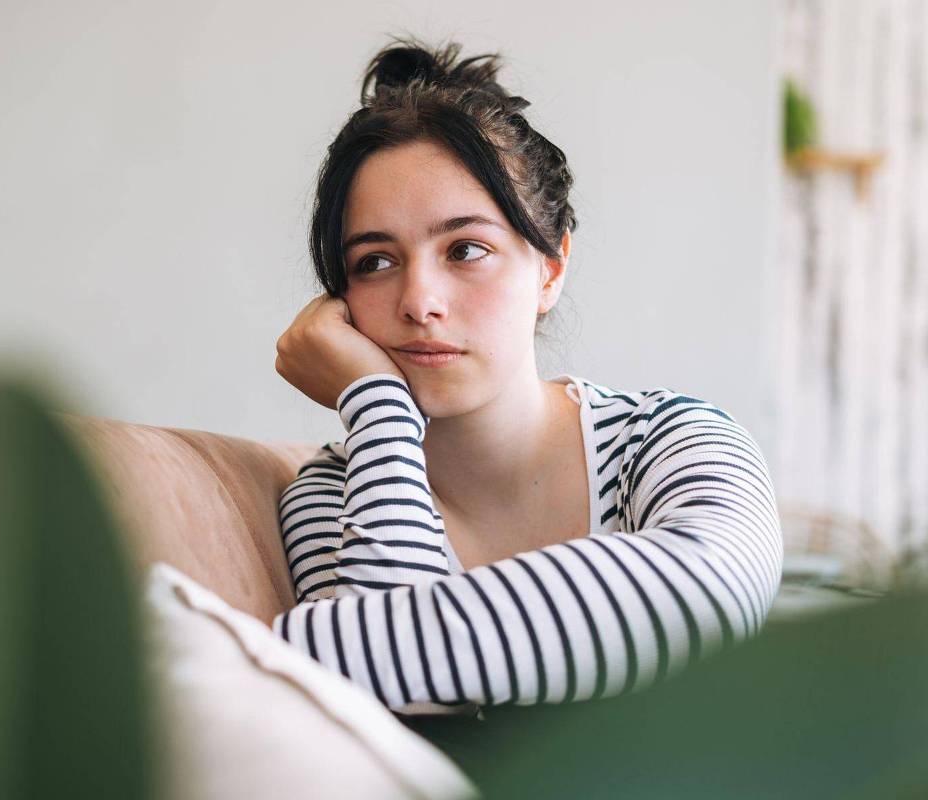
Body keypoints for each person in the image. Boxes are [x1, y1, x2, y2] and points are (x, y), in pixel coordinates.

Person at [269, 37, 784, 721]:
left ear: (551, 266)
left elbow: (712, 591)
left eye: (466, 249)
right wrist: (378, 407)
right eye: (375, 262)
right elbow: (390, 720)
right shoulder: (338, 491)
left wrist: (284, 649)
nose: (419, 301)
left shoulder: (671, 442)